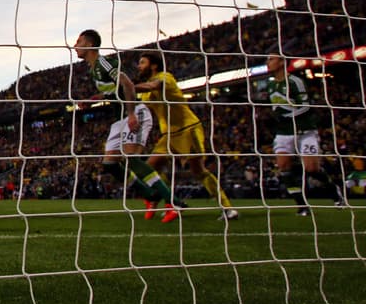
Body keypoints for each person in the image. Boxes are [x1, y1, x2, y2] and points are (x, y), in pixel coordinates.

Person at [73, 30, 177, 222]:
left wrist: (130, 114)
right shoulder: (93, 69)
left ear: (89, 45)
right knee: (110, 164)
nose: (75, 45)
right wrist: (95, 99)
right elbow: (116, 91)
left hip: (133, 112)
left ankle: (173, 203)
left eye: (78, 41)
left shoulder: (104, 63)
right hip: (118, 118)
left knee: (132, 159)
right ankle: (150, 196)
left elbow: (127, 84)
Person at [134, 51, 238, 221]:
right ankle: (173, 202)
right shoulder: (145, 89)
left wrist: (129, 86)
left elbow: (153, 86)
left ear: (153, 65)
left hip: (187, 129)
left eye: (142, 62)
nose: (139, 66)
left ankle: (227, 208)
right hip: (168, 135)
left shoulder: (165, 77)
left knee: (198, 171)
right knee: (149, 168)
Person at [253, 52, 347, 214]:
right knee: (283, 167)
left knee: (311, 169)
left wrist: (285, 115)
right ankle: (302, 205)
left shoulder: (295, 82)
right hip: (283, 132)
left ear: (282, 62)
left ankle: (335, 192)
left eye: (271, 59)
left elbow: (305, 107)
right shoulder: (271, 85)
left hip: (304, 131)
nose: (268, 62)